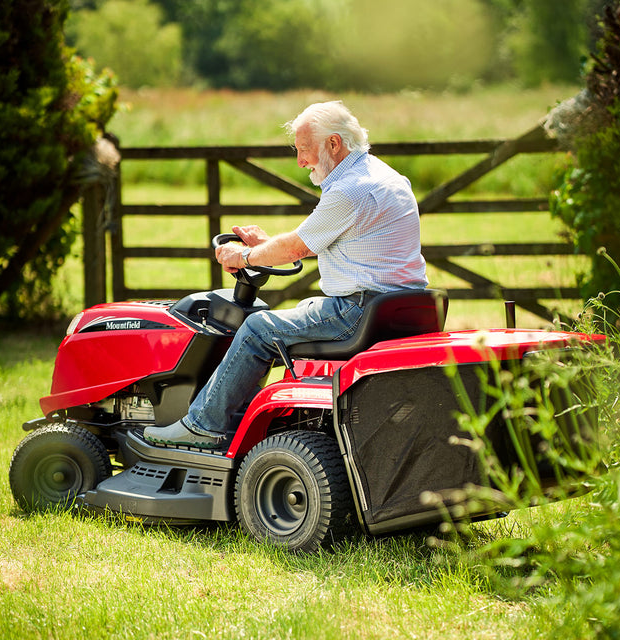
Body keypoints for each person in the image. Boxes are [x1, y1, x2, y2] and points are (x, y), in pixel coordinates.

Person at [144, 101, 427, 448]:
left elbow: (295, 249)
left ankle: (204, 425)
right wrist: (266, 246)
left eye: (305, 150)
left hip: (358, 312)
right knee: (300, 308)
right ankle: (245, 417)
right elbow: (315, 240)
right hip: (400, 307)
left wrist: (245, 255)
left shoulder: (349, 190)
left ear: (334, 144)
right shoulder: (387, 177)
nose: (301, 161)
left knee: (257, 328)